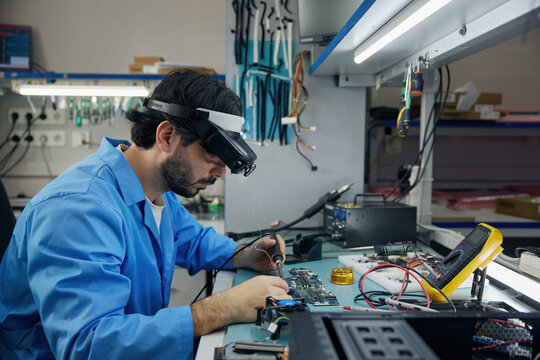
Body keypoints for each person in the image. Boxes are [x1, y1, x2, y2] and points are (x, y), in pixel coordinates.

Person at [0, 70, 291, 360]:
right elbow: (89, 344)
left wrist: (243, 254)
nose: (221, 172)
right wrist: (221, 308)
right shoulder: (78, 209)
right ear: (166, 136)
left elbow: (193, 240)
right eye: (213, 156)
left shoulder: (157, 191)